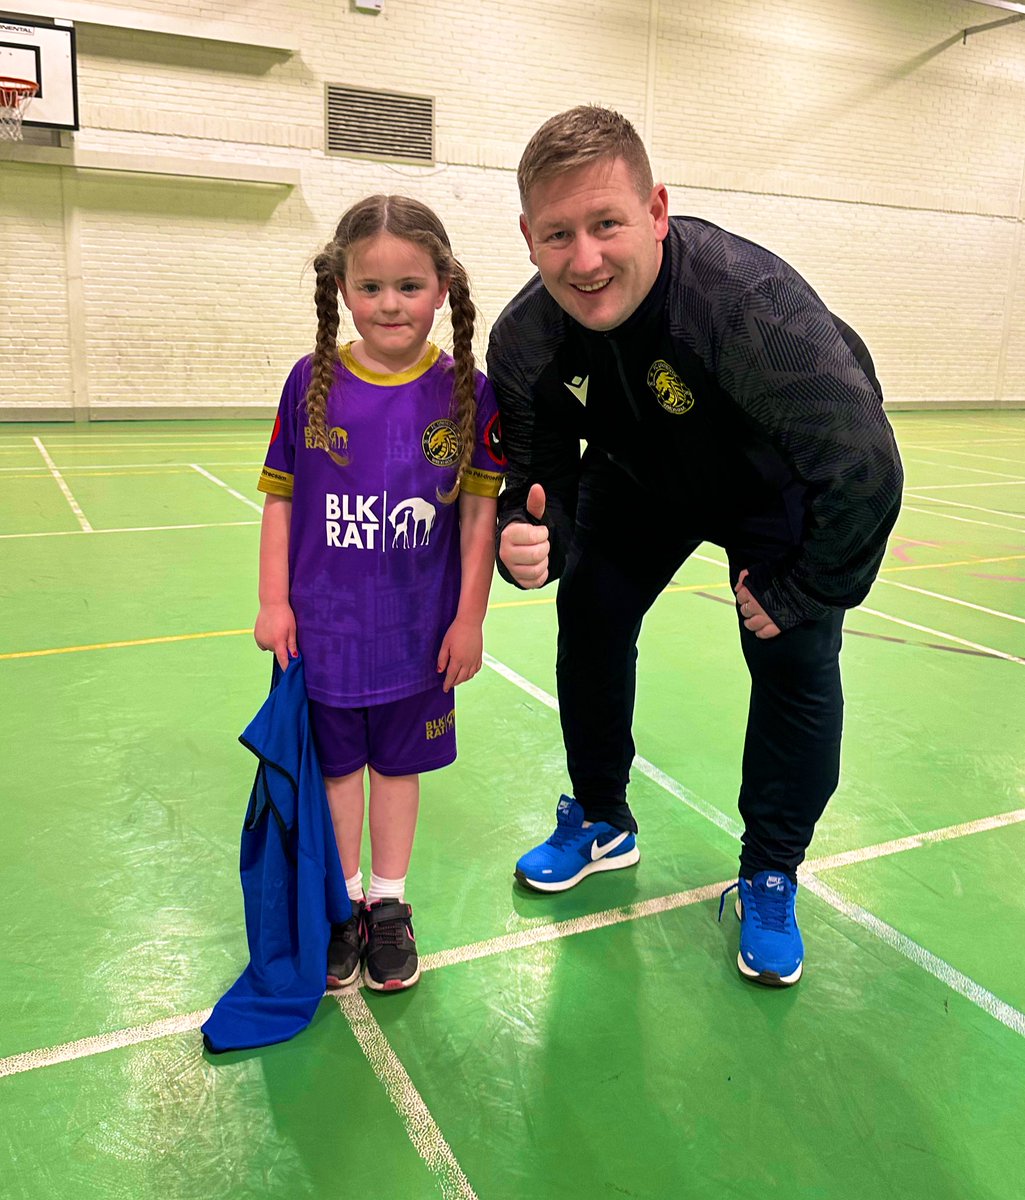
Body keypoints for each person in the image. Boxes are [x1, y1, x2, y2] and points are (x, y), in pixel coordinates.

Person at [488, 106, 902, 987]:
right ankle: (602, 818)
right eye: (557, 234)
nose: (585, 259)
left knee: (792, 653)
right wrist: (529, 539)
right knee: (589, 607)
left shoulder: (746, 307)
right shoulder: (523, 341)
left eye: (606, 224)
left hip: (771, 484)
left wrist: (801, 590)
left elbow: (864, 468)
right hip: (643, 476)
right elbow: (538, 480)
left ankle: (770, 869)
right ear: (527, 237)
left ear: (656, 211)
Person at [255, 195, 505, 992]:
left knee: (398, 771)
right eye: (370, 287)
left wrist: (469, 617)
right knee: (334, 774)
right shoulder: (310, 382)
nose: (389, 304)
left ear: (442, 289)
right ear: (341, 288)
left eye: (408, 286)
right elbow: (281, 497)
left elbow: (476, 516)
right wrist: (274, 600)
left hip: (417, 634)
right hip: (326, 632)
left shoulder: (469, 391)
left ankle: (388, 905)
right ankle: (343, 903)